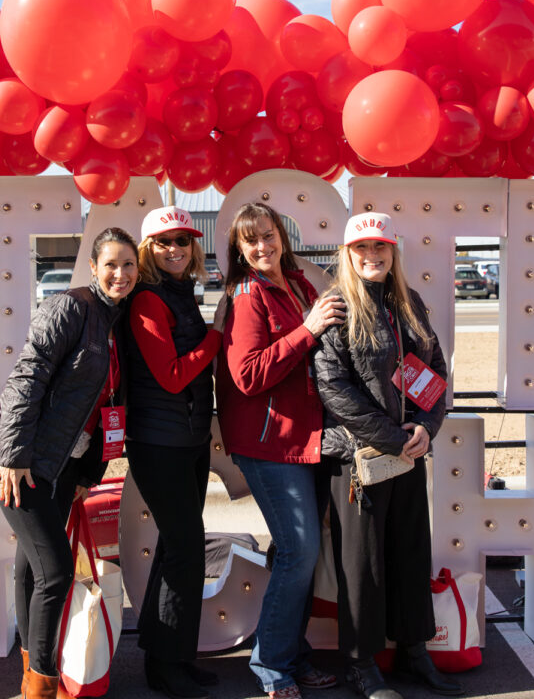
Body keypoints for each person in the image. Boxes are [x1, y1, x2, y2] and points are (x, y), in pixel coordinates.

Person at [0, 227, 138, 699]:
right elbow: (26, 379)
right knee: (56, 572)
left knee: (31, 567)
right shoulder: (72, 308)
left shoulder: (117, 322)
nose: (120, 274)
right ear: (93, 266)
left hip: (66, 467)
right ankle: (42, 689)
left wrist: (89, 474)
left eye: (129, 265)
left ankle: (32, 676)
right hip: (23, 461)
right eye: (111, 264)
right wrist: (13, 455)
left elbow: (108, 405)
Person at [313, 212, 463, 699]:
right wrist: (395, 437)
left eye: (380, 248)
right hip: (357, 460)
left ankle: (414, 653)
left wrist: (426, 427)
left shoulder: (409, 303)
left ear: (393, 251)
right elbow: (332, 389)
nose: (372, 256)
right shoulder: (335, 306)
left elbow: (436, 371)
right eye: (362, 249)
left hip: (407, 453)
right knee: (364, 565)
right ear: (347, 253)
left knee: (410, 552)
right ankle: (361, 666)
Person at [216, 201, 346, 699]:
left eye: (268, 235)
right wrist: (308, 329)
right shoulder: (249, 295)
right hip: (269, 443)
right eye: (251, 241)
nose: (262, 247)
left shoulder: (301, 285)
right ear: (240, 249)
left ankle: (290, 652)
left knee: (298, 554)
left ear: (282, 236)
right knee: (299, 551)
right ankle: (270, 664)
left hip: (305, 439)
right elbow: (247, 375)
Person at [125, 206, 224, 699]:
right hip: (158, 443)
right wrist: (215, 339)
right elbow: (172, 375)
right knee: (186, 550)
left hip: (187, 439)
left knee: (175, 549)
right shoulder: (147, 297)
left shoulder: (181, 292)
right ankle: (164, 666)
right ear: (147, 249)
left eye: (182, 242)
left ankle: (172, 656)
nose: (174, 250)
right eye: (163, 243)